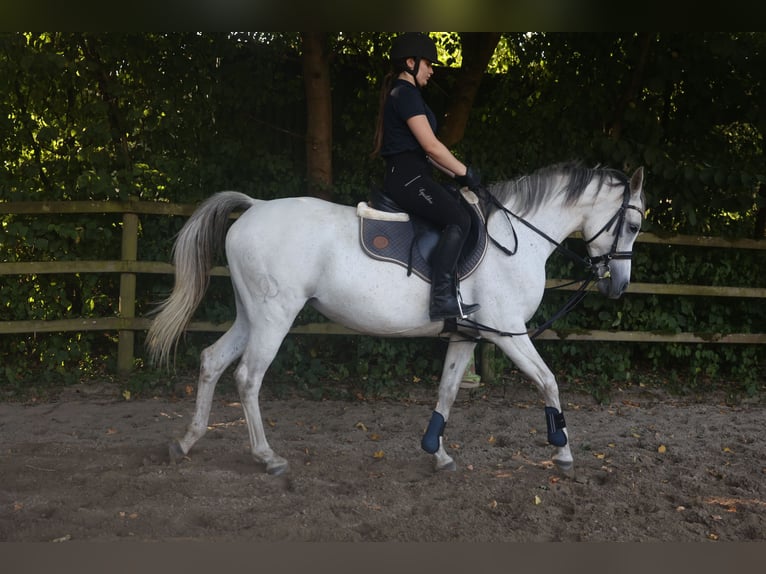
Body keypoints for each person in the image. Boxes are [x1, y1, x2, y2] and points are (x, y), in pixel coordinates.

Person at [371, 32, 481, 322]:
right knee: (460, 219)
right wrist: (464, 170)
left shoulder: (409, 95)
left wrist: (460, 177)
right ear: (410, 62)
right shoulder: (405, 94)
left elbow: (430, 154)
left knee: (456, 207)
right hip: (407, 179)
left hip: (413, 175)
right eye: (428, 64)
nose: (432, 70)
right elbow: (432, 146)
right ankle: (442, 299)